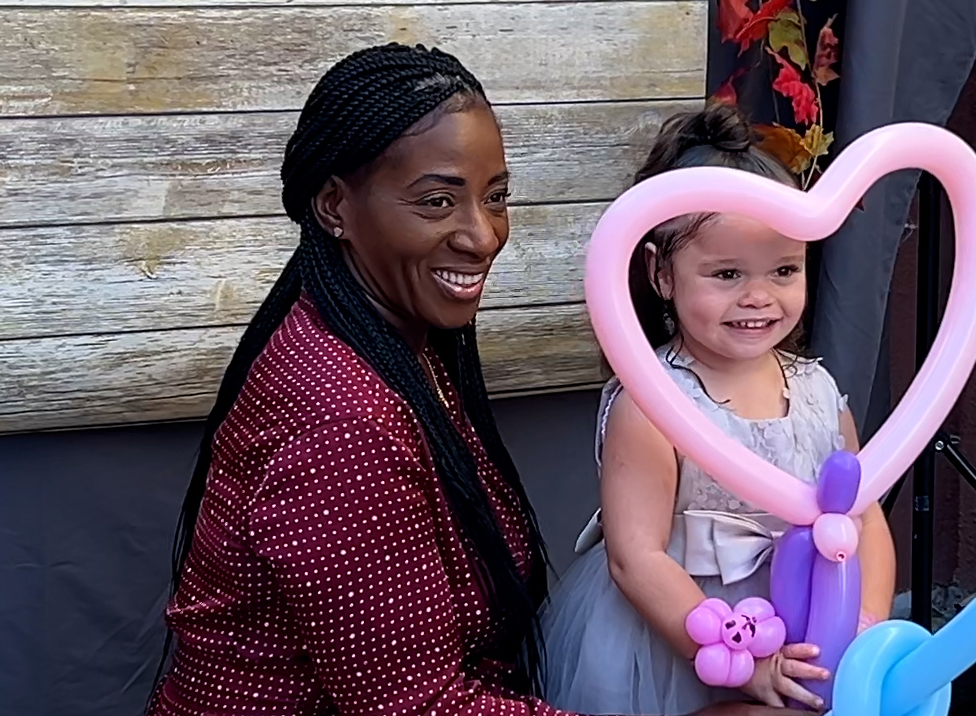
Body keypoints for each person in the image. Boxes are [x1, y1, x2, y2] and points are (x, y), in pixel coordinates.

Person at [145, 43, 801, 716]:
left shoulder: (398, 348)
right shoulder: (339, 425)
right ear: (335, 206)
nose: (482, 235)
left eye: (496, 198)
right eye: (437, 201)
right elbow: (420, 708)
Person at [538, 104, 898, 716]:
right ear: (661, 274)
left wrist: (863, 629)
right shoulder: (652, 403)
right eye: (726, 273)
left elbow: (863, 520)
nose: (758, 296)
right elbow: (636, 557)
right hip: (676, 641)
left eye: (784, 269)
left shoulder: (815, 390)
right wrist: (741, 662)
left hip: (804, 631)